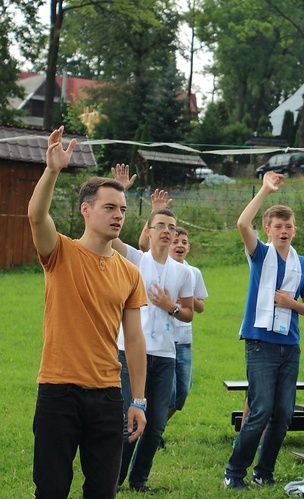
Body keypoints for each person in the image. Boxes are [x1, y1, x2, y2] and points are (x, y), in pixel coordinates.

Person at [27, 127, 148, 498]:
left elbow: (135, 338)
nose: (118, 215)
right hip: (58, 391)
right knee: (51, 489)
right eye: (109, 207)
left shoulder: (130, 272)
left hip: (107, 395)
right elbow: (36, 216)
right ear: (86, 210)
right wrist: (52, 171)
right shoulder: (59, 252)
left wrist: (138, 400)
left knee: (102, 491)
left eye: (123, 209)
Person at [224, 172, 304, 490]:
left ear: (295, 230)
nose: (284, 231)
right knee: (260, 410)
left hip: (290, 346)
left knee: (284, 414)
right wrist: (264, 189)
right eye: (278, 226)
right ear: (268, 230)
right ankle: (234, 471)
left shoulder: (303, 264)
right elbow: (241, 224)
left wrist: (291, 303)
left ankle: (264, 471)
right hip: (261, 342)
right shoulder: (260, 255)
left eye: (289, 226)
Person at [112, 202, 195, 493]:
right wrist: (122, 193)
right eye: (160, 225)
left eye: (171, 228)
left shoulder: (184, 273)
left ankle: (139, 480)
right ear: (148, 232)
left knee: (157, 423)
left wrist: (170, 306)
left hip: (165, 356)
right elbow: (111, 236)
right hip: (131, 352)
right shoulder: (135, 258)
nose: (167, 231)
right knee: (128, 421)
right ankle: (115, 478)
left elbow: (188, 312)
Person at [138, 222, 209, 433]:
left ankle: (155, 427)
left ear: (188, 248)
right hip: (163, 342)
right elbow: (142, 245)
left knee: (181, 395)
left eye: (184, 242)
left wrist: (185, 299)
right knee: (167, 393)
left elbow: (200, 307)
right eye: (176, 241)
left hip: (184, 342)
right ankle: (152, 430)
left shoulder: (192, 272)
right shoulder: (158, 267)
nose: (180, 245)